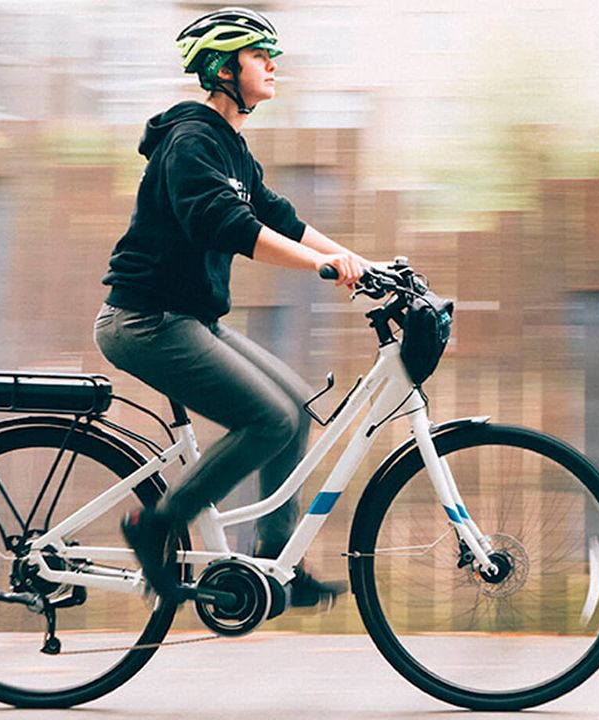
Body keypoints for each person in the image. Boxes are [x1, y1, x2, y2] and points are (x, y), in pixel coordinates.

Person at [93, 7, 365, 608]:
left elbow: (278, 215)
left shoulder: (230, 147)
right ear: (223, 69)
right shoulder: (190, 141)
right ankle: (157, 524)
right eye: (259, 55)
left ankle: (274, 563)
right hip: (145, 323)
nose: (272, 65)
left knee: (293, 406)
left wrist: (360, 263)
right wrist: (320, 267)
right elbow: (227, 225)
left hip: (187, 320)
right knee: (266, 419)